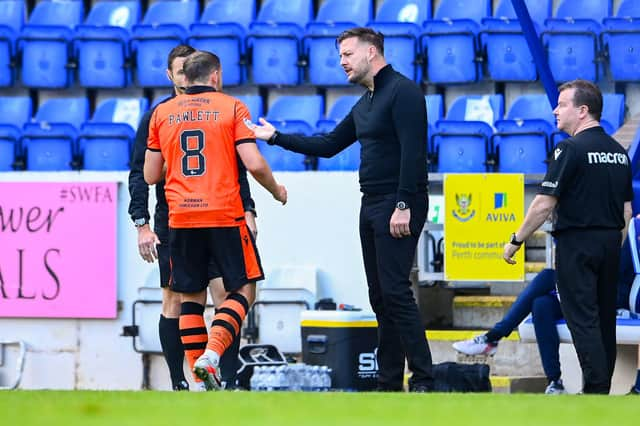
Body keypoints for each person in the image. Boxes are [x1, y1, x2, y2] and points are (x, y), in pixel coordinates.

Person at [248, 27, 434, 392]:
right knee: (380, 297)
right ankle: (389, 382)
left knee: (396, 291)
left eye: (348, 54)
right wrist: (277, 138)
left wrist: (403, 204)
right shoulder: (365, 102)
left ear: (371, 52)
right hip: (371, 203)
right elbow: (330, 144)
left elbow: (414, 154)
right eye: (340, 56)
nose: (342, 62)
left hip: (399, 202)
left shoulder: (403, 92)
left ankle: (425, 379)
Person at [144, 50, 287, 391]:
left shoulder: (161, 113)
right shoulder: (232, 107)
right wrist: (275, 189)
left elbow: (151, 175)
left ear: (185, 77)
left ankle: (203, 375)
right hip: (224, 213)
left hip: (180, 216)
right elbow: (252, 163)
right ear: (215, 76)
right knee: (244, 289)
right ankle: (212, 353)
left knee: (190, 297)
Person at [503, 79, 633, 394]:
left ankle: (596, 390)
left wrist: (516, 239)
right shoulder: (619, 152)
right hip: (610, 243)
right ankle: (600, 387)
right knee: (603, 319)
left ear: (583, 110)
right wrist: (612, 242)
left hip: (577, 244)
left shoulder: (569, 148)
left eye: (562, 104)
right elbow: (627, 211)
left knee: (582, 318)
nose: (555, 110)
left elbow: (544, 204)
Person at [452, 269, 566, 394]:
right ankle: (554, 382)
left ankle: (493, 336)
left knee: (548, 275)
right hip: (568, 293)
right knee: (541, 304)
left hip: (586, 293)